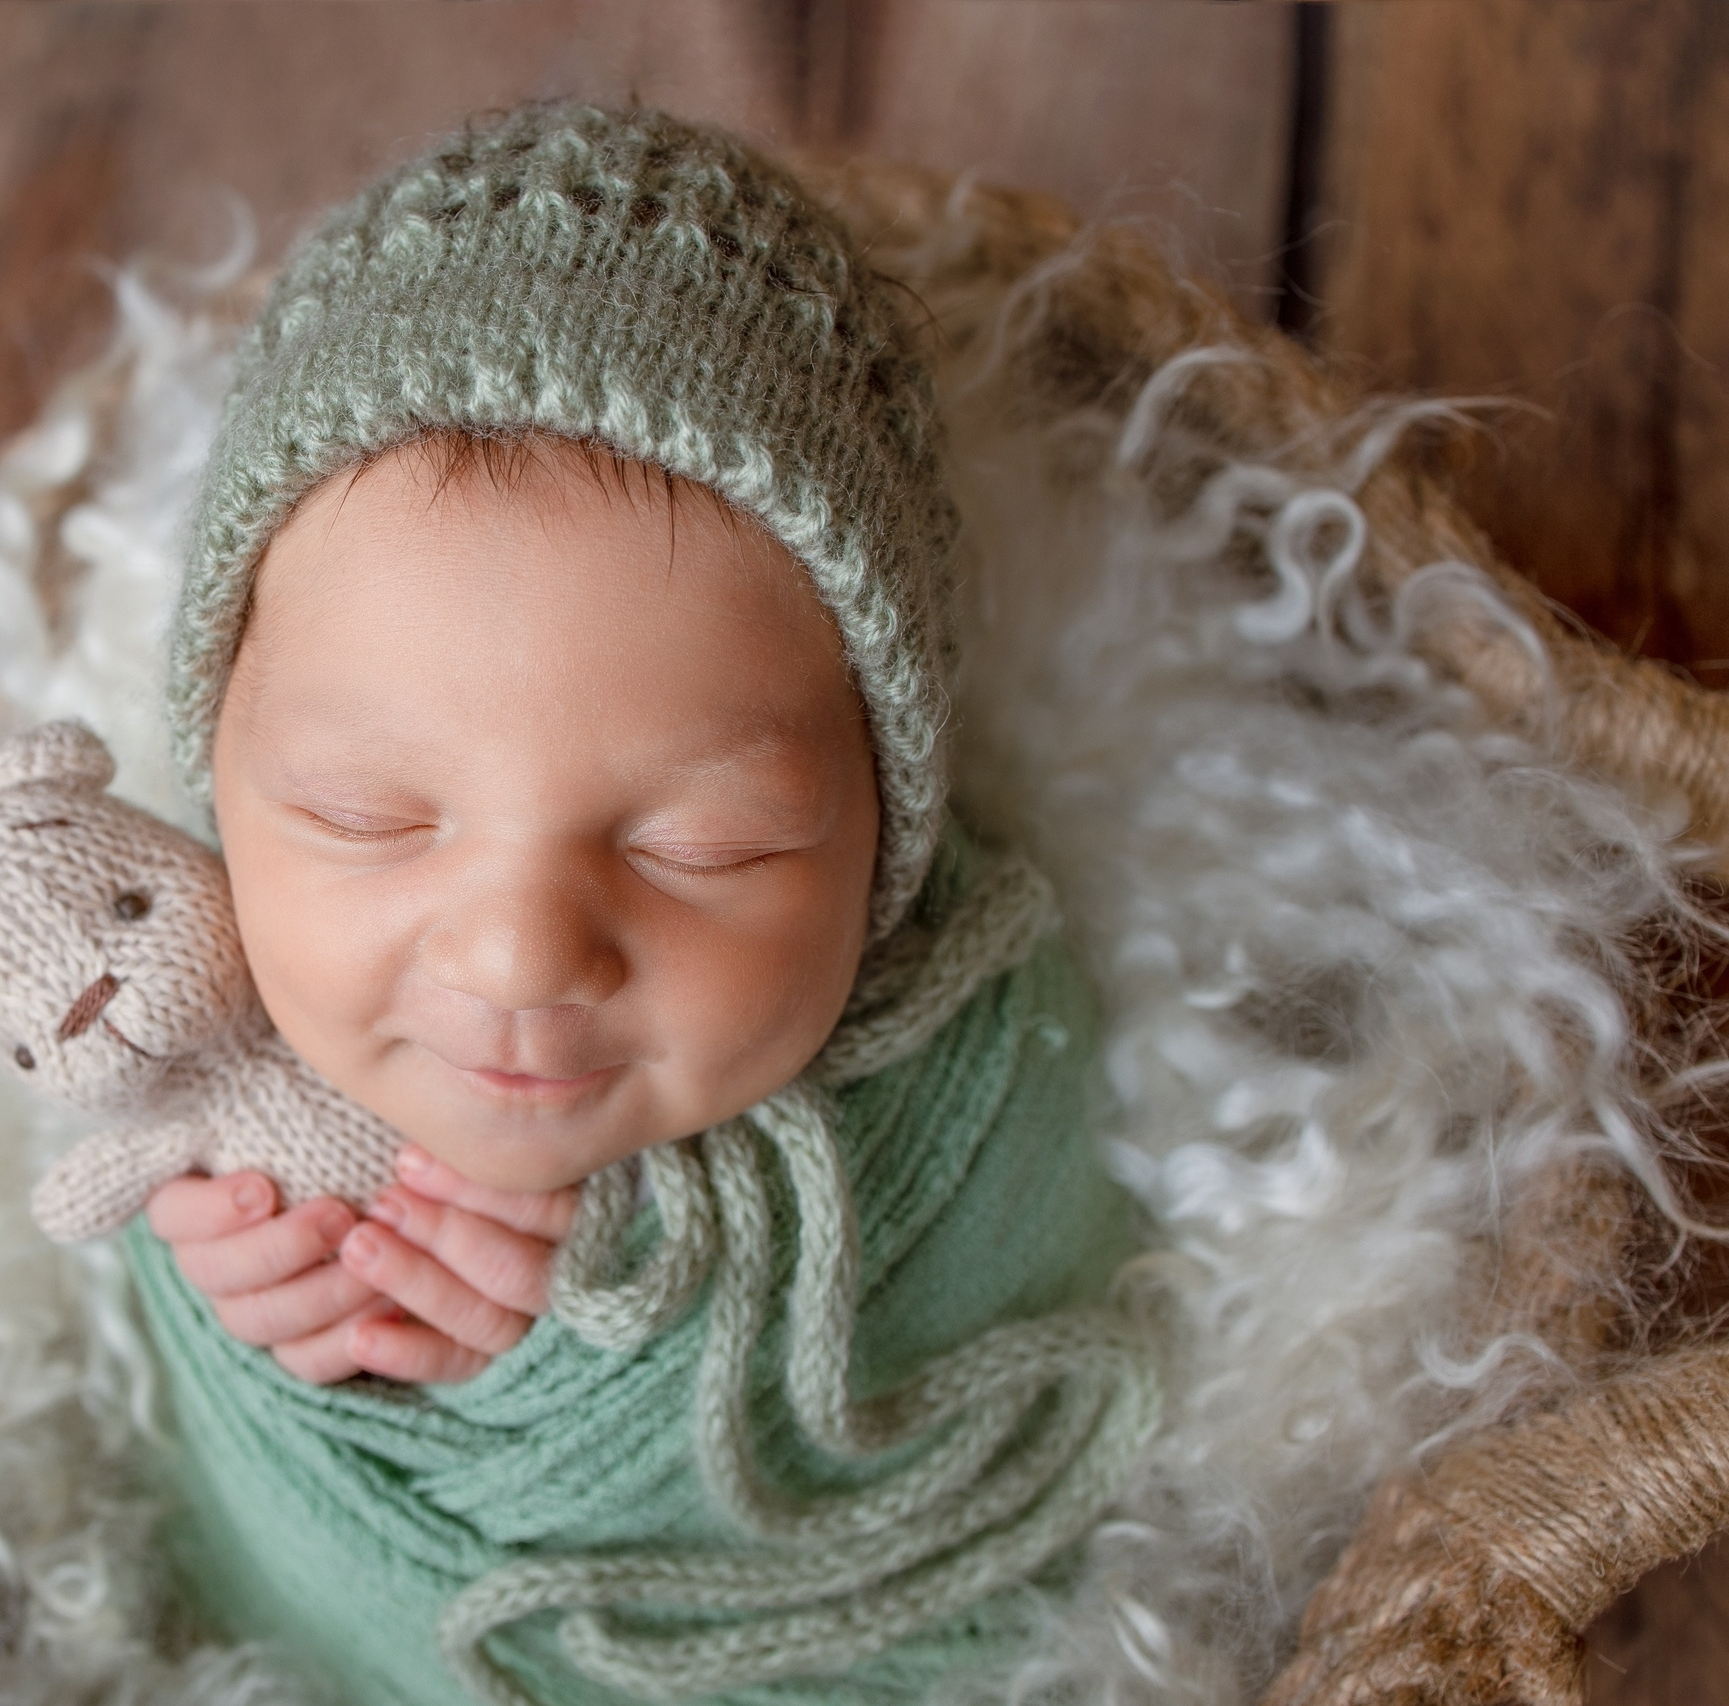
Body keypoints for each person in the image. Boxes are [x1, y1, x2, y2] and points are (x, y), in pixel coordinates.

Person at [116, 102, 1158, 1706]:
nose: (523, 950)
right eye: (362, 815)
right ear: (220, 777)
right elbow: (230, 1502)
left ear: (890, 816)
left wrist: (608, 1354)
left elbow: (1040, 1392)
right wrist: (256, 1314)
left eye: (708, 842)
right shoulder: (198, 1039)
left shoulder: (980, 1054)